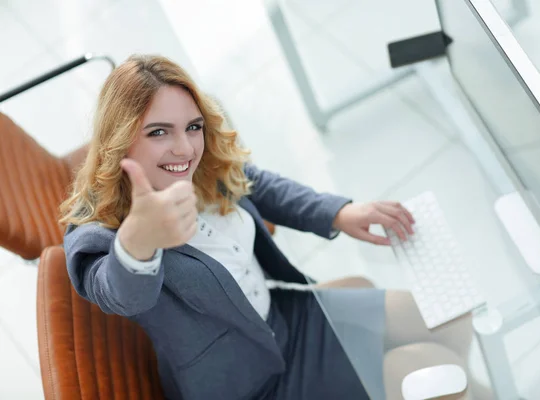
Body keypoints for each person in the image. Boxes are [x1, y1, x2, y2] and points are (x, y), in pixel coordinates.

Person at [60, 54, 482, 400]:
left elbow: (254, 181)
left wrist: (338, 213)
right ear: (121, 139)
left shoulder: (199, 167)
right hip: (251, 382)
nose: (184, 148)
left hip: (287, 318)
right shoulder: (97, 231)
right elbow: (118, 291)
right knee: (429, 370)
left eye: (192, 127)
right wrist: (140, 240)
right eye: (158, 132)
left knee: (449, 320)